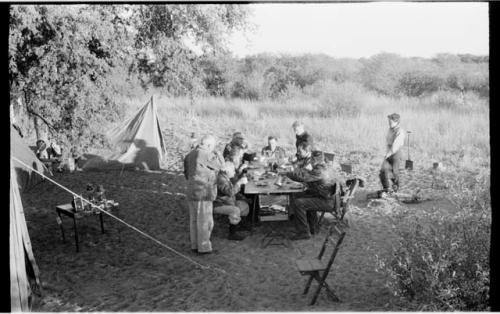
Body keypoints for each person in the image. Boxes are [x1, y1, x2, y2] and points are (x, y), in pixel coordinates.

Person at [284, 142, 343, 240]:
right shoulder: (323, 166)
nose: (310, 160)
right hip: (324, 195)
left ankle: (303, 232)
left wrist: (288, 173)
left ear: (316, 160)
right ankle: (313, 227)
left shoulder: (319, 170)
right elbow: (307, 174)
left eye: (312, 159)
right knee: (298, 195)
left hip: (328, 201)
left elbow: (303, 178)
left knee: (299, 203)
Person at [183, 135, 224, 255]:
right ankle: (204, 247)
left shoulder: (190, 154)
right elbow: (221, 166)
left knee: (194, 221)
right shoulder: (206, 154)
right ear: (209, 145)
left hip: (192, 190)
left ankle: (195, 245)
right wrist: (217, 152)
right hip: (203, 192)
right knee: (205, 221)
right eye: (213, 146)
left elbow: (186, 173)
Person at [213, 161, 251, 241]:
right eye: (233, 170)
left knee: (244, 206)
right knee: (235, 210)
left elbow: (233, 192)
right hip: (219, 204)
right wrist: (239, 183)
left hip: (228, 201)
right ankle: (232, 233)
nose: (234, 172)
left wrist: (244, 198)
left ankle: (239, 225)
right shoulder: (221, 179)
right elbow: (230, 192)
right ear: (227, 171)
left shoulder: (225, 177)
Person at [380, 113, 405, 194]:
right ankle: (386, 189)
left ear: (396, 122)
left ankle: (395, 189)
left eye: (391, 122)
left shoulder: (400, 132)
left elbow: (395, 145)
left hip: (396, 153)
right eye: (389, 121)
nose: (389, 123)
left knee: (394, 172)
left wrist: (388, 154)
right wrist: (386, 151)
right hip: (389, 151)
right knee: (383, 171)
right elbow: (388, 142)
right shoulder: (390, 129)